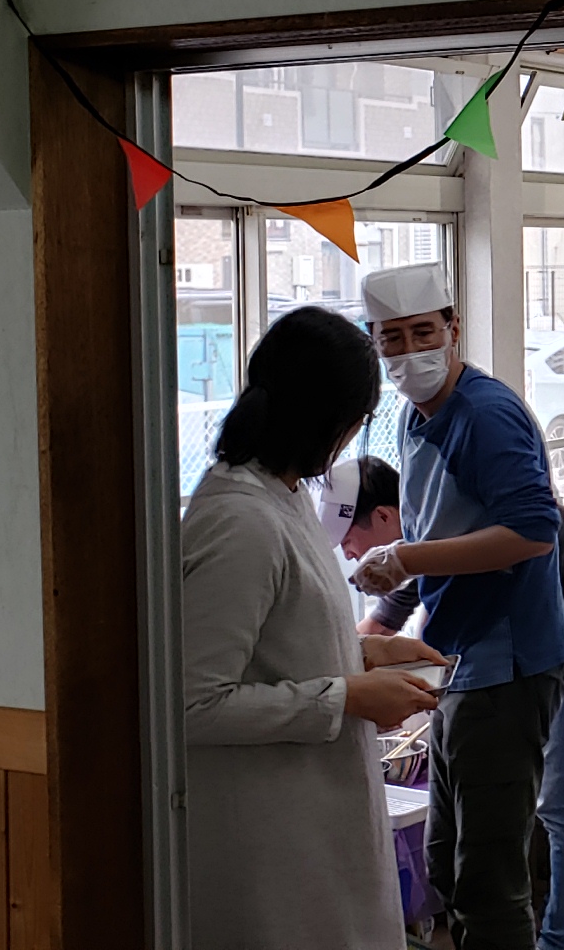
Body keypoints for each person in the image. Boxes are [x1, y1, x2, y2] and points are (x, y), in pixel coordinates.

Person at [180, 306, 450, 950]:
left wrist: (367, 652)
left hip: (315, 810)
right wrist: (347, 695)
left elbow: (279, 642)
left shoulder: (286, 494)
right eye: (355, 421)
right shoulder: (240, 522)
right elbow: (192, 704)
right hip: (270, 831)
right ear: (325, 419)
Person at [349, 264, 564, 950]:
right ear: (374, 343)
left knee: (488, 878)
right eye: (392, 339)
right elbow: (433, 532)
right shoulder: (414, 419)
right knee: (447, 860)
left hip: (508, 662)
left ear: (454, 328)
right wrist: (386, 610)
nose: (409, 351)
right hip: (460, 659)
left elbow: (533, 531)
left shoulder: (484, 414)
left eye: (424, 333)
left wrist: (405, 559)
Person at [346, 458, 564, 950]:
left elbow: (412, 627)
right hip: (536, 640)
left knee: (562, 795)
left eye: (350, 542)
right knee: (475, 843)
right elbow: (378, 628)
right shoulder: (420, 536)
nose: (351, 556)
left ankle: (559, 940)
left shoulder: (440, 535)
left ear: (382, 516)